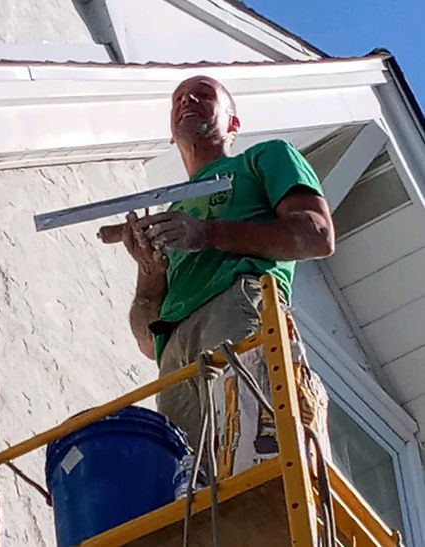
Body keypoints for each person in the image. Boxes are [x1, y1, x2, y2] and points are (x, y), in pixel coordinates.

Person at [102, 75, 334, 475]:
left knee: (256, 460)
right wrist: (150, 273)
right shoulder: (175, 207)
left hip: (238, 305)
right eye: (178, 98)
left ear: (233, 124)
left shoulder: (262, 159)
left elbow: (317, 234)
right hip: (175, 351)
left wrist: (208, 233)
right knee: (194, 489)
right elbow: (145, 339)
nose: (187, 100)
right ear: (171, 136)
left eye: (204, 94)